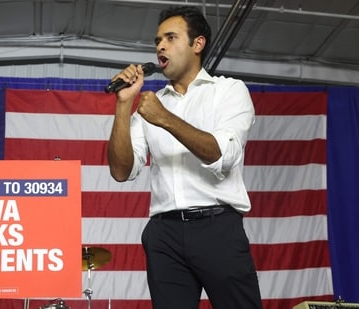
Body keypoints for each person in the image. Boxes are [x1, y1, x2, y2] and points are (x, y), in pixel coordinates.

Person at [106, 5, 264, 309]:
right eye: (157, 41)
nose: (160, 46)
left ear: (197, 44)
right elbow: (121, 170)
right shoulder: (150, 104)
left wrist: (164, 119)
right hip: (163, 233)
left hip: (217, 227)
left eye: (170, 37)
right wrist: (124, 105)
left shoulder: (228, 91)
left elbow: (223, 155)